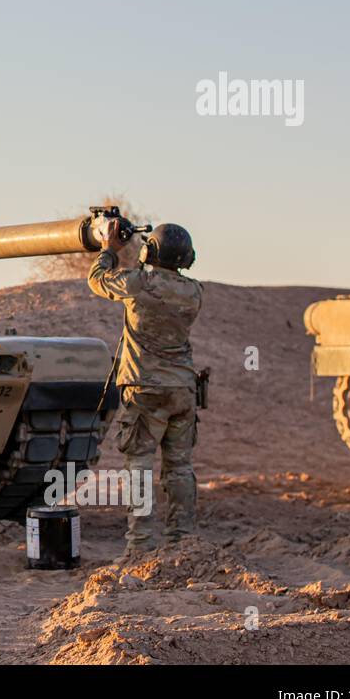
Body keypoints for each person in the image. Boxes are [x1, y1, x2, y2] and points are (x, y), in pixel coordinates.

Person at [88, 222, 202, 556]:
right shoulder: (194, 292)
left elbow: (97, 279)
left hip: (143, 388)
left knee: (139, 466)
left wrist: (110, 247)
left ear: (150, 251)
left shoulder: (139, 284)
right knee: (180, 468)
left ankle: (140, 546)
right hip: (182, 389)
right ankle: (183, 543)